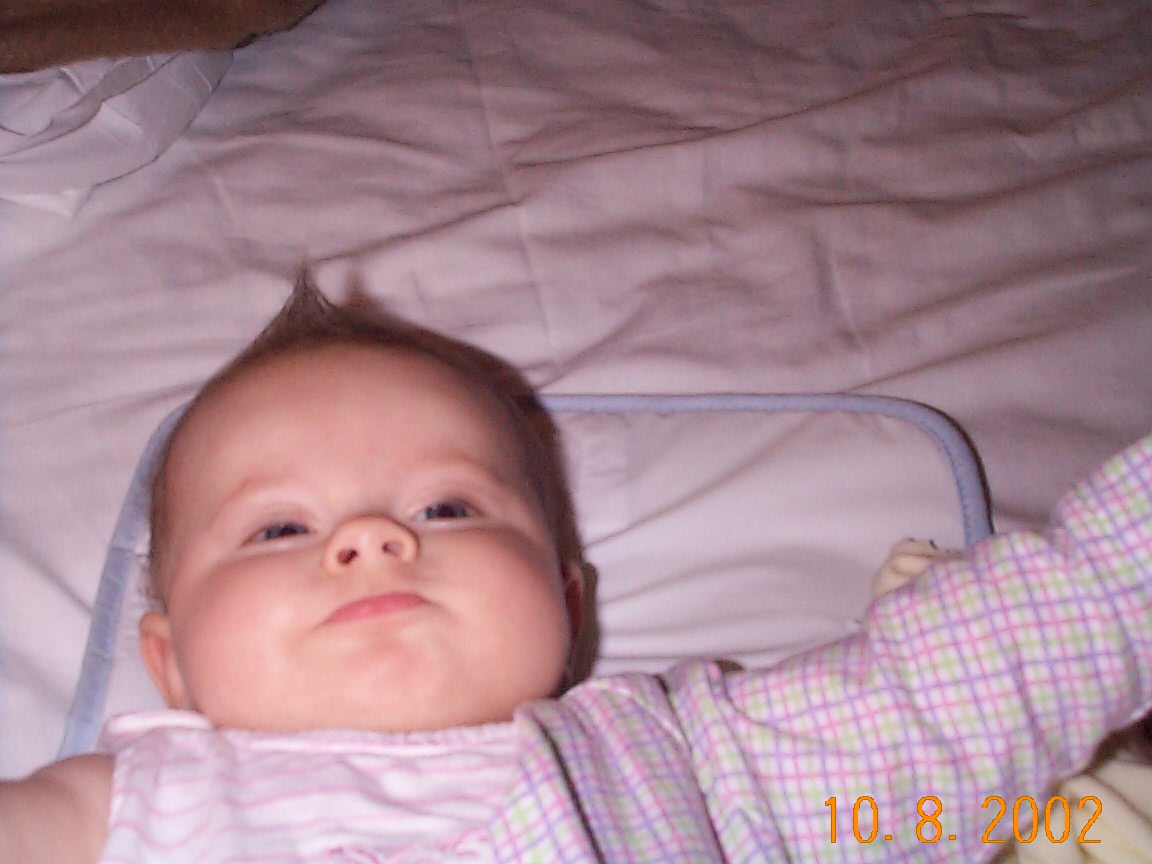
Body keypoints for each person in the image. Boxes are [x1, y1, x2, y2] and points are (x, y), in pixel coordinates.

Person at [1, 275, 1149, 864]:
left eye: (447, 507)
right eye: (278, 530)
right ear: (171, 663)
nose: (370, 539)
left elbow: (947, 694)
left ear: (564, 599)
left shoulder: (689, 757)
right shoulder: (124, 804)